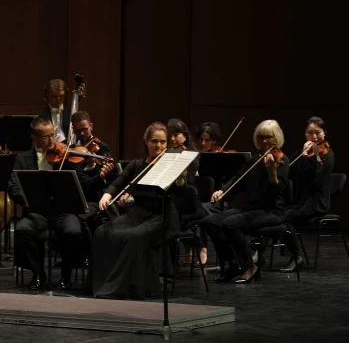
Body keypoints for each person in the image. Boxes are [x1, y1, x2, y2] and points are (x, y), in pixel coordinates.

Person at [91, 123, 179, 299]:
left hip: (162, 217)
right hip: (138, 214)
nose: (159, 146)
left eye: (163, 142)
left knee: (134, 237)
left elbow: (180, 189)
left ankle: (124, 287)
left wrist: (180, 178)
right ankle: (100, 284)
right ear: (146, 142)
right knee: (102, 232)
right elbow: (118, 182)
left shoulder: (170, 166)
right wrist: (107, 195)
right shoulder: (137, 164)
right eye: (155, 141)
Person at [8, 118, 95, 290]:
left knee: (73, 231)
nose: (51, 141)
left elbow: (80, 184)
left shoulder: (65, 156)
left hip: (63, 211)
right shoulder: (23, 159)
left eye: (52, 135)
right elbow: (13, 186)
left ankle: (66, 275)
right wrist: (29, 199)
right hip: (38, 212)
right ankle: (38, 273)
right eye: (45, 136)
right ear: (34, 137)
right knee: (22, 229)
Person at [199, 120, 289, 283]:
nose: (263, 141)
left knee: (230, 224)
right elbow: (238, 179)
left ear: (276, 138)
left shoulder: (282, 160)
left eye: (268, 137)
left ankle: (249, 265)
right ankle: (233, 264)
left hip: (272, 211)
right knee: (209, 221)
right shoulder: (255, 159)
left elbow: (278, 191)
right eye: (260, 137)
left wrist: (272, 172)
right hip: (250, 209)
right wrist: (223, 191)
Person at [281, 117, 336, 272]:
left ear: (324, 133)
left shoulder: (327, 155)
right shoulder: (302, 152)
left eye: (317, 132)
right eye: (309, 133)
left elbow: (317, 180)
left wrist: (306, 157)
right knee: (276, 214)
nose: (314, 137)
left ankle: (296, 256)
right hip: (301, 201)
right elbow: (289, 173)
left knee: (285, 218)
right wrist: (303, 156)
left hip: (316, 203)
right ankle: (258, 254)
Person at [36, 78, 70, 143]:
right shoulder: (41, 115)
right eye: (54, 96)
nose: (58, 99)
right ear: (47, 96)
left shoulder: (71, 113)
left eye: (61, 96)